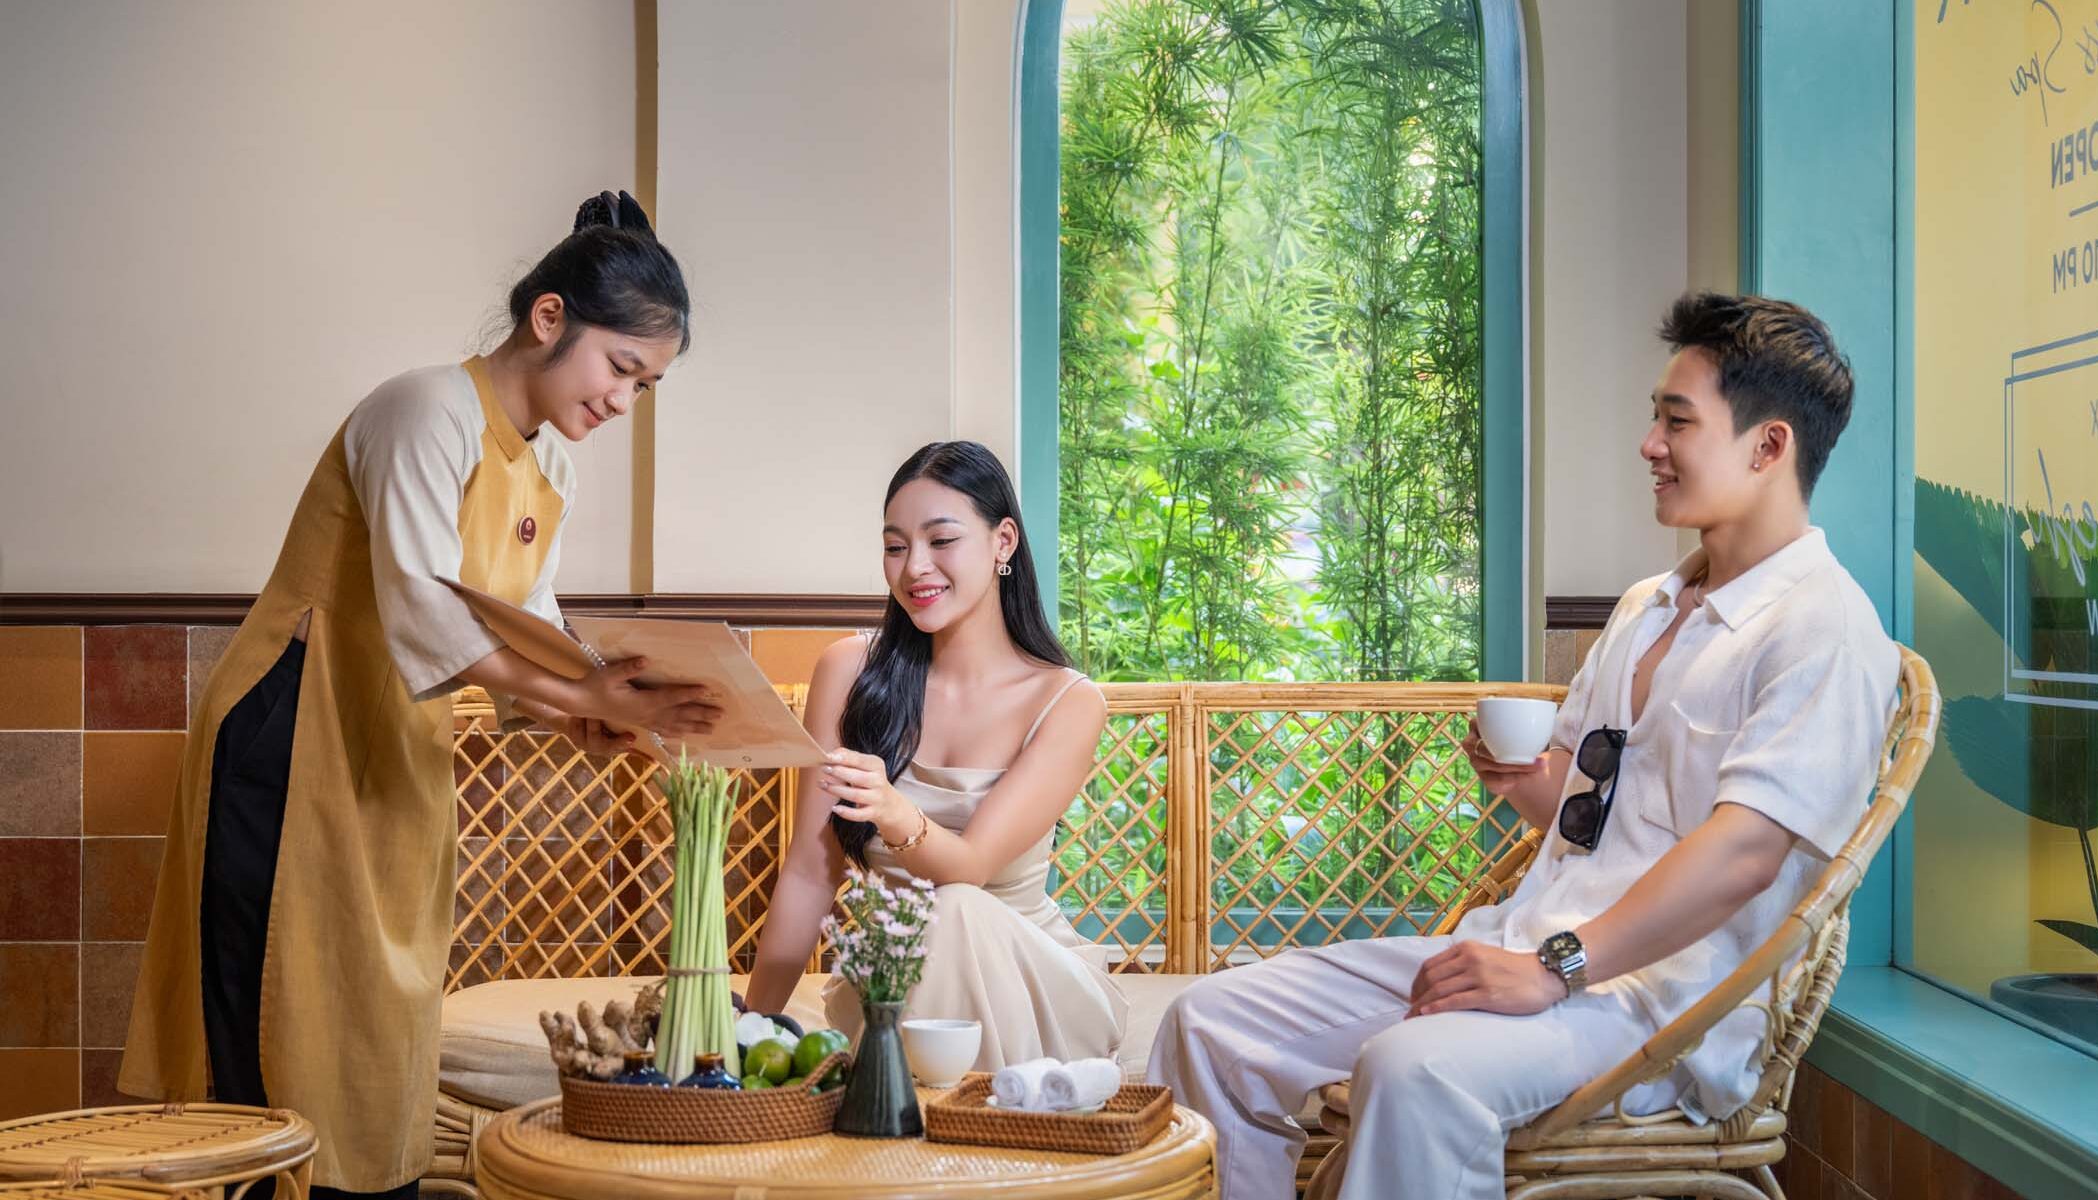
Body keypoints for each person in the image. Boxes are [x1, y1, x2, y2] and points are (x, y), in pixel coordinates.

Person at [1149, 292, 1900, 1199]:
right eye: (1655, 418)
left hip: (1662, 1008)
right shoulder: (1649, 606)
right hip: (1522, 947)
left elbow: (1746, 855)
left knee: (1412, 1071)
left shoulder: (1825, 630)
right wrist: (1520, 779)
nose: (1649, 444)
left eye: (1677, 421)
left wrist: (1556, 969)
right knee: (1210, 1022)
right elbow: (1584, 810)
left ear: (1768, 445)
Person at [120, 191, 724, 1199]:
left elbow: (525, 624)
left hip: (397, 746)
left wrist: (586, 714)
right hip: (292, 725)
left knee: (378, 1026)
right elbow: (426, 614)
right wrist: (595, 695)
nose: (625, 401)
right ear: (549, 319)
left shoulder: (552, 466)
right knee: (272, 1014)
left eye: (646, 385)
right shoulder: (424, 410)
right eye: (621, 368)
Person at [740, 441, 1127, 1070]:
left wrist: (892, 811)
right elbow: (811, 874)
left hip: (1027, 985)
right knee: (932, 926)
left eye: (941, 540)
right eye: (896, 547)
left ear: (1003, 542)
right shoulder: (849, 672)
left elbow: (968, 868)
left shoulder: (1067, 702)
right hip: (892, 984)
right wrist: (753, 1029)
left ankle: (908, 1106)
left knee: (958, 907)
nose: (915, 567)